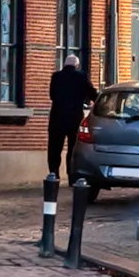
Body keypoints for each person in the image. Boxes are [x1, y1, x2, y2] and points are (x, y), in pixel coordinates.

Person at [45, 53, 95, 188]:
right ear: (76, 65)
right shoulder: (81, 77)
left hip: (57, 118)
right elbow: (93, 93)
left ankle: (53, 175)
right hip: (74, 118)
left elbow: (52, 95)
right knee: (73, 149)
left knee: (54, 149)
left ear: (65, 64)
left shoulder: (56, 77)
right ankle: (72, 176)